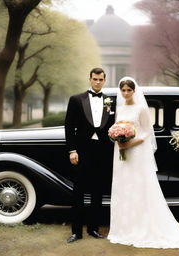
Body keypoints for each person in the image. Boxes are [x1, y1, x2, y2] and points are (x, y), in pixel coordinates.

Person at [107, 76, 179, 248]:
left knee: (138, 186)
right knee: (124, 186)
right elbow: (116, 127)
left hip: (135, 149)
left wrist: (129, 142)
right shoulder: (120, 107)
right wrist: (118, 139)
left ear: (134, 91)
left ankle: (140, 226)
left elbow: (147, 132)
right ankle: (124, 227)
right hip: (121, 152)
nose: (125, 93)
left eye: (129, 90)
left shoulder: (140, 108)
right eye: (123, 90)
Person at [65, 67, 115, 243]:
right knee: (78, 191)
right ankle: (76, 232)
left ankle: (94, 229)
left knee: (97, 191)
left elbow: (113, 125)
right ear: (90, 79)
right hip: (81, 151)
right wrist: (72, 150)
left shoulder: (110, 100)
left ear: (104, 80)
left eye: (101, 79)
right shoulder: (76, 99)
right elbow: (69, 127)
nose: (97, 82)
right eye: (95, 79)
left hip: (102, 152)